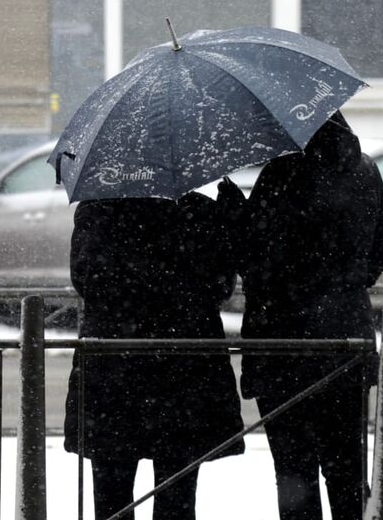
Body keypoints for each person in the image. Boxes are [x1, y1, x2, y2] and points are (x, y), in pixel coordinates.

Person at [239, 112, 383, 520]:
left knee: (295, 472)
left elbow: (258, 264)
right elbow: (377, 258)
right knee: (346, 469)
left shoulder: (282, 175)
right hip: (346, 341)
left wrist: (239, 217)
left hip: (285, 345)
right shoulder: (366, 171)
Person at [63, 182, 246, 520]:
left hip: (114, 364)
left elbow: (86, 280)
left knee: (112, 497)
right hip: (183, 367)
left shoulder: (98, 210)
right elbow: (221, 286)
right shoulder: (199, 212)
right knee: (177, 494)